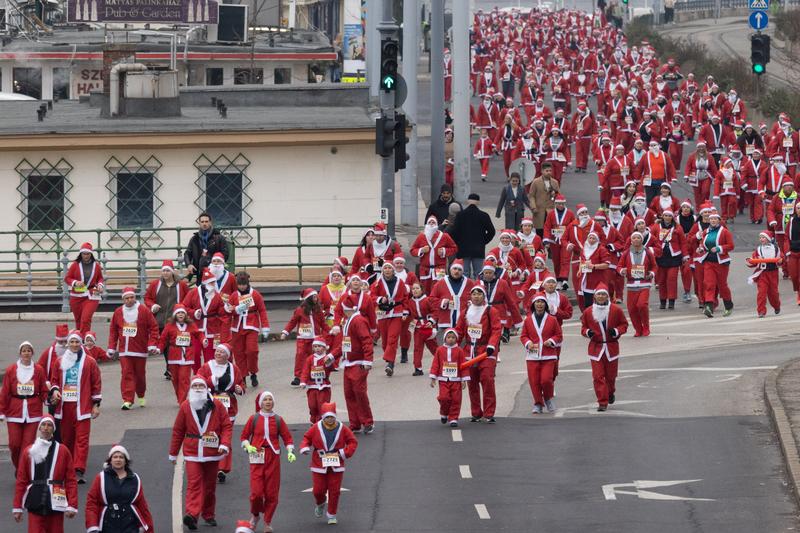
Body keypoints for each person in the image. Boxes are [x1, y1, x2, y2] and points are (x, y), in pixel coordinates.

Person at [169, 376, 232, 530]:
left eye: (200, 386)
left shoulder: (216, 405)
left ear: (206, 388)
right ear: (191, 388)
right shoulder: (185, 406)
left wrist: (224, 444)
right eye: (195, 385)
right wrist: (173, 453)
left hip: (212, 451)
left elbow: (226, 426)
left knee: (210, 486)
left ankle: (208, 514)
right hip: (192, 451)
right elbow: (178, 431)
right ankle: (192, 514)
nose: (198, 388)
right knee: (194, 483)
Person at [49, 329, 102, 484]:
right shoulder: (59, 361)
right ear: (68, 343)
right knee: (67, 439)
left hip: (83, 407)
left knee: (82, 439)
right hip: (64, 408)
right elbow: (53, 381)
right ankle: (68, 467)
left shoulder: (89, 362)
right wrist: (56, 391)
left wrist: (96, 405)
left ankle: (79, 469)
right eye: (71, 342)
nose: (74, 344)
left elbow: (96, 384)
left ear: (81, 343)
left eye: (77, 342)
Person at [240, 391, 296, 533]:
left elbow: (287, 438)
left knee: (272, 492)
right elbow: (244, 436)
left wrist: (290, 451)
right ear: (261, 403)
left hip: (273, 456)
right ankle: (255, 515)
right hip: (257, 456)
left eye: (270, 399)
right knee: (256, 493)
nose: (268, 402)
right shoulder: (253, 418)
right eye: (265, 399)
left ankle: (268, 522)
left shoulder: (278, 419)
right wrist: (247, 446)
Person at [13, 416, 78, 532]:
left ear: (53, 429)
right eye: (43, 425)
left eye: (49, 425)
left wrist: (72, 504)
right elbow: (21, 480)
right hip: (35, 498)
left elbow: (71, 480)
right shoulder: (29, 451)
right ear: (39, 428)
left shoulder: (63, 450)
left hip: (56, 498)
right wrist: (17, 507)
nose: (46, 428)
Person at [299, 402, 358, 526]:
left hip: (336, 463)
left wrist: (344, 453)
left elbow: (353, 441)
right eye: (327, 417)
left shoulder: (342, 428)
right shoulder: (316, 427)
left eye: (332, 417)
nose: (330, 419)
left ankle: (332, 514)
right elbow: (306, 438)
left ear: (335, 417)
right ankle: (320, 503)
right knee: (318, 490)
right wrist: (304, 447)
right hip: (319, 463)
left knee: (335, 490)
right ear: (323, 417)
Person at [197, 342, 246, 482]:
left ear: (228, 356)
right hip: (210, 405)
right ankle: (210, 463)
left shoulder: (233, 368)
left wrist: (239, 389)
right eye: (217, 351)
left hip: (228, 407)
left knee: (226, 436)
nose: (218, 354)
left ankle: (222, 468)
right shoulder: (207, 366)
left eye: (221, 352)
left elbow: (242, 385)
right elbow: (198, 382)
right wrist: (210, 381)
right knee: (211, 435)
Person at [107, 287, 160, 410]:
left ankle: (141, 394)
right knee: (126, 373)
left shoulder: (143, 310)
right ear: (123, 299)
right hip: (124, 351)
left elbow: (154, 327)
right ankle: (127, 399)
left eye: (131, 297)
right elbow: (113, 331)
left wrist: (152, 343)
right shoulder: (118, 312)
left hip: (140, 350)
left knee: (140, 375)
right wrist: (111, 347)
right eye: (126, 298)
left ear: (135, 298)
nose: (129, 300)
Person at [456, 286, 502, 423]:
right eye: (474, 294)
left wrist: (491, 345)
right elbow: (459, 331)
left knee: (487, 380)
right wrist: (451, 345)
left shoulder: (490, 311)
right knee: (472, 383)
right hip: (469, 351)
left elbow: (496, 329)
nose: (476, 296)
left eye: (479, 294)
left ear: (484, 296)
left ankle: (489, 413)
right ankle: (476, 413)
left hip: (486, 351)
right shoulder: (465, 312)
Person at [84, 444, 154, 533]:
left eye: (121, 457)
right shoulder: (100, 478)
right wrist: (92, 526)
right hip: (107, 525)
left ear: (126, 461)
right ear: (110, 460)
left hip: (130, 525)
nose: (118, 459)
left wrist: (149, 528)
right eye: (115, 457)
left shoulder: (135, 479)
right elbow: (91, 503)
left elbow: (142, 505)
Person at [0, 341, 48, 469]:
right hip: (14, 412)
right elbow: (5, 392)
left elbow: (43, 390)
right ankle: (19, 467)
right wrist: (1, 411)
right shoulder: (11, 370)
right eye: (24, 351)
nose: (26, 353)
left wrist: (48, 399)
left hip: (33, 412)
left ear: (32, 353)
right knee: (14, 444)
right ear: (20, 353)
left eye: (28, 350)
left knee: (28, 445)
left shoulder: (38, 370)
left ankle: (22, 471)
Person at [580, 284, 628, 411]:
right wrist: (587, 332)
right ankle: (602, 401)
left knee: (611, 377)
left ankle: (610, 392)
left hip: (611, 348)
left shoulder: (616, 310)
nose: (601, 297)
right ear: (595, 296)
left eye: (603, 294)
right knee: (598, 376)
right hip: (596, 348)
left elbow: (624, 324)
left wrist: (617, 331)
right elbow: (583, 328)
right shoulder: (588, 311)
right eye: (598, 294)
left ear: (607, 296)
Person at [332, 293, 375, 434]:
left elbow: (366, 340)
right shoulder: (349, 321)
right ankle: (355, 423)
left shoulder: (358, 321)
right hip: (349, 362)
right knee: (349, 394)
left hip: (358, 363)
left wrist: (368, 360)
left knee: (359, 393)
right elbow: (345, 344)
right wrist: (332, 356)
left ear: (346, 308)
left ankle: (367, 421)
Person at [145, 259, 190, 379]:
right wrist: (152, 306)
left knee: (174, 344)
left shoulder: (181, 285)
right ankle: (170, 366)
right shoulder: (156, 284)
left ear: (172, 272)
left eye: (167, 271)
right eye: (163, 271)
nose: (165, 273)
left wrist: (182, 310)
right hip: (159, 320)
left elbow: (188, 299)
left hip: (175, 320)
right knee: (164, 345)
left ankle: (172, 368)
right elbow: (148, 298)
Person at [520, 293, 563, 414]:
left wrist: (551, 341)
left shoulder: (552, 319)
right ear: (533, 304)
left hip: (548, 355)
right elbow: (523, 336)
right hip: (532, 356)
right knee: (534, 381)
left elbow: (559, 335)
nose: (539, 304)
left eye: (542, 302)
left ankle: (548, 398)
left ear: (545, 304)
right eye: (537, 302)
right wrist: (528, 343)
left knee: (546, 380)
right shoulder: (528, 320)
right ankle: (538, 403)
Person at [226, 271, 270, 387]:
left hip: (251, 326)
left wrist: (265, 326)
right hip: (237, 327)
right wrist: (235, 309)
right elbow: (228, 311)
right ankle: (243, 377)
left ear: (247, 283)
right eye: (239, 284)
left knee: (252, 351)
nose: (242, 286)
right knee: (238, 353)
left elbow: (262, 310)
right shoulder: (234, 295)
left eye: (244, 284)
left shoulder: (255, 294)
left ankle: (253, 372)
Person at [182, 269, 230, 371]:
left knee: (211, 356)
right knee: (194, 354)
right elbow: (183, 307)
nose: (214, 284)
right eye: (212, 282)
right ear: (206, 283)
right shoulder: (193, 293)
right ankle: (198, 374)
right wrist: (193, 313)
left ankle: (210, 375)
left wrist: (226, 308)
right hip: (195, 329)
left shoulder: (217, 295)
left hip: (213, 330)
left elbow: (221, 312)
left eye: (214, 282)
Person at [281, 288, 330, 387]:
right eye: (314, 296)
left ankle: (312, 375)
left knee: (313, 357)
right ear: (308, 298)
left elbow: (323, 324)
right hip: (302, 338)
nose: (316, 298)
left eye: (317, 296)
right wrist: (285, 332)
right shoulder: (300, 310)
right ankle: (298, 377)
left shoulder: (318, 310)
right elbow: (292, 322)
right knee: (300, 356)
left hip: (315, 339)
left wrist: (331, 331)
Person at [160, 303, 205, 404]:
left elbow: (199, 334)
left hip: (187, 355)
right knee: (175, 379)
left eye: (182, 313)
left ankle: (182, 401)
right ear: (175, 315)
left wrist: (203, 340)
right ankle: (180, 397)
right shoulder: (169, 326)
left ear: (185, 315)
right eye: (178, 313)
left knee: (184, 379)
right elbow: (163, 339)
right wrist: (159, 348)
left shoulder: (191, 325)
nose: (180, 315)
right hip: (173, 355)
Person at [617, 231, 658, 336]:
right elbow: (619, 266)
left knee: (642, 305)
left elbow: (654, 266)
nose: (636, 240)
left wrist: (652, 274)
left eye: (638, 238)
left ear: (641, 240)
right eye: (634, 238)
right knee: (632, 309)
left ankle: (646, 327)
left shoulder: (648, 252)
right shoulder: (626, 253)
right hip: (631, 285)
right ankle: (638, 329)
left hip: (644, 283)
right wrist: (622, 271)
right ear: (631, 240)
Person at [449, 193, 497, 279]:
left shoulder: (460, 215)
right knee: (479, 273)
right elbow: (492, 231)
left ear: (468, 201)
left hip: (463, 248)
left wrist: (458, 243)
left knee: (464, 273)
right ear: (478, 202)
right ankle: (479, 290)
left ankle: (464, 291)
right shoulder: (484, 215)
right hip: (478, 248)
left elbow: (454, 232)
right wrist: (483, 241)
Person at [429, 328, 469, 426]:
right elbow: (435, 364)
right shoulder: (440, 350)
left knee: (456, 399)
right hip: (443, 380)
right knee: (444, 398)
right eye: (448, 337)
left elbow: (463, 365)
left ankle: (453, 418)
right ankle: (444, 412)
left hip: (456, 380)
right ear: (445, 338)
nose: (451, 339)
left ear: (456, 339)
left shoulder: (459, 351)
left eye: (453, 337)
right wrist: (433, 377)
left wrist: (464, 379)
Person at [698, 213, 735, 317]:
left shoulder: (725, 232)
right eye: (711, 219)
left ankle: (728, 305)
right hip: (708, 261)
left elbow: (731, 246)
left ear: (719, 220)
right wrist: (701, 248)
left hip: (721, 262)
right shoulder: (706, 232)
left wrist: (720, 248)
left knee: (722, 285)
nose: (713, 221)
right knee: (709, 283)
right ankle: (709, 306)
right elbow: (703, 244)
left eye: (715, 219)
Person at [410, 215, 458, 294]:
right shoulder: (421, 236)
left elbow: (454, 248)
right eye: (429, 222)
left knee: (439, 289)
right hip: (425, 269)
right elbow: (412, 250)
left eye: (433, 222)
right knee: (425, 291)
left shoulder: (444, 236)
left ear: (437, 225)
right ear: (426, 224)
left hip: (439, 268)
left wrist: (444, 251)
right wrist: (421, 250)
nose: (431, 224)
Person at [64, 242, 104, 335]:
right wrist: (75, 283)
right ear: (81, 254)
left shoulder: (96, 265)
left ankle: (85, 341)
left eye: (88, 254)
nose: (86, 256)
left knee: (85, 319)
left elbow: (100, 278)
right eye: (84, 254)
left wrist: (100, 285)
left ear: (91, 254)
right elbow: (67, 278)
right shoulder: (75, 264)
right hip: (76, 296)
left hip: (92, 294)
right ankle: (79, 340)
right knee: (78, 321)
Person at [652, 210, 688, 309]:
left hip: (674, 257)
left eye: (669, 216)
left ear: (672, 217)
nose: (667, 217)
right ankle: (662, 301)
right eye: (665, 215)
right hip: (660, 257)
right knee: (661, 280)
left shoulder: (678, 227)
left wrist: (685, 255)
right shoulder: (656, 227)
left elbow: (683, 243)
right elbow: (651, 240)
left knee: (671, 279)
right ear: (662, 216)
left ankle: (671, 300)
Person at [183, 212, 229, 286]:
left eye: (206, 221)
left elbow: (225, 253)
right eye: (202, 222)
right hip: (200, 273)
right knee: (202, 294)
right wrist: (188, 265)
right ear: (199, 223)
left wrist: (216, 263)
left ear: (210, 222)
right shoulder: (195, 239)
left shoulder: (219, 237)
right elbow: (187, 253)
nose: (204, 224)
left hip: (216, 273)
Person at [300, 337, 337, 422]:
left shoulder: (326, 358)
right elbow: (305, 371)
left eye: (319, 346)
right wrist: (303, 381)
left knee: (322, 405)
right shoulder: (310, 359)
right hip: (312, 386)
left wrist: (329, 363)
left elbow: (332, 368)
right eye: (315, 346)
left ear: (324, 348)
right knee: (312, 405)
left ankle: (321, 421)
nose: (317, 348)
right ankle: (313, 420)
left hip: (323, 386)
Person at [430, 260, 475, 331]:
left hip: (463, 322)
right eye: (455, 269)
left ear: (462, 271)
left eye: (459, 270)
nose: (457, 271)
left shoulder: (470, 283)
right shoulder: (441, 283)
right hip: (445, 322)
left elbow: (477, 297)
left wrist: (472, 303)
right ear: (450, 270)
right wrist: (443, 302)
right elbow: (431, 300)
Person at [747, 230, 782, 317]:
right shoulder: (758, 249)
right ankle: (761, 311)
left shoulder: (776, 249)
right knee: (761, 293)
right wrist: (750, 262)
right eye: (760, 238)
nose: (761, 239)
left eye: (763, 237)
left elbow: (782, 258)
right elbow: (754, 260)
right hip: (763, 273)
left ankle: (776, 306)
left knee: (773, 293)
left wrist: (781, 261)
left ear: (768, 239)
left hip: (773, 273)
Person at [784, 202, 800, 304]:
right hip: (793, 252)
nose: (799, 210)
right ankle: (798, 290)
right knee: (794, 276)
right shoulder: (791, 221)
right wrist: (787, 251)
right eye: (798, 208)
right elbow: (786, 237)